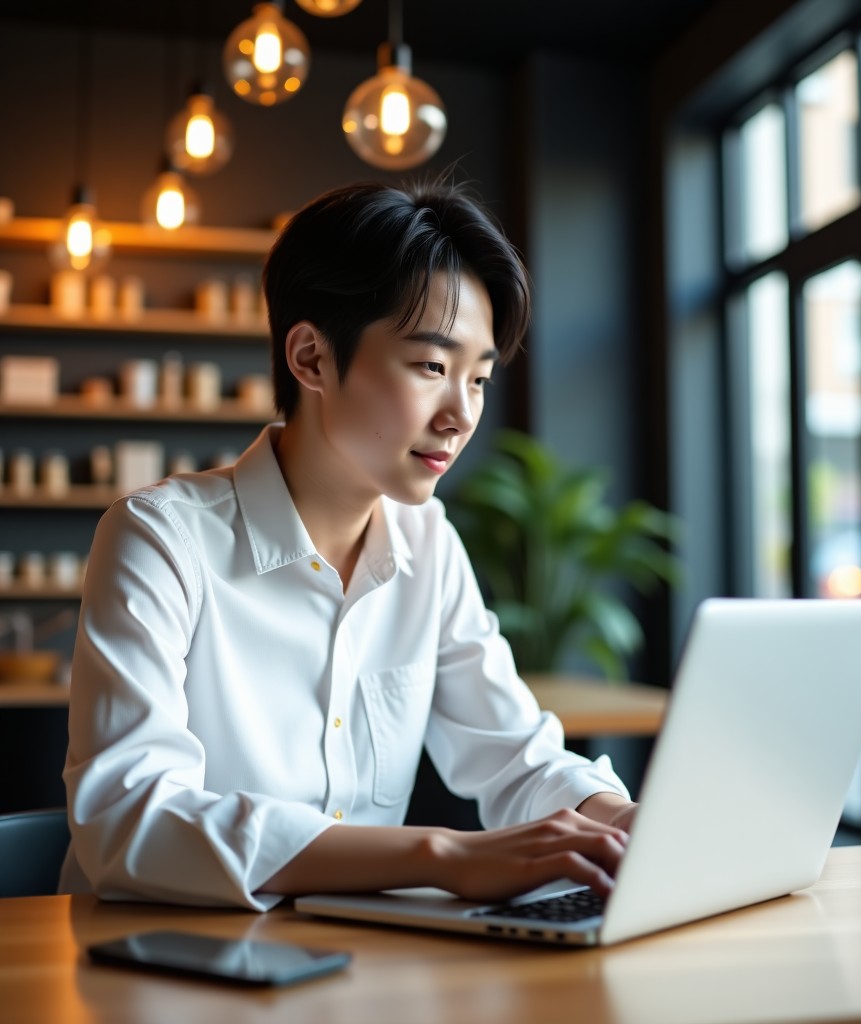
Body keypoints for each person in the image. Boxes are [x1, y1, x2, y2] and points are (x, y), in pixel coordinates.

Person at [60, 177, 638, 910]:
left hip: (355, 962)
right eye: (432, 367)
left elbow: (517, 757)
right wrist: (443, 856)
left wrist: (622, 825)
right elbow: (129, 819)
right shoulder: (158, 541)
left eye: (480, 378)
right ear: (310, 359)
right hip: (155, 963)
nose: (462, 415)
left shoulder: (427, 545)